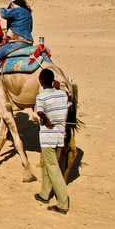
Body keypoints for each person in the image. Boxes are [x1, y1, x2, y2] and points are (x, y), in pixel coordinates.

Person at [34, 68, 70, 214]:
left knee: (53, 168)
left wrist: (46, 119)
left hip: (48, 137)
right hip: (60, 135)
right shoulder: (62, 94)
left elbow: (39, 112)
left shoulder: (41, 96)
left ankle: (63, 203)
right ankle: (44, 194)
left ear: (41, 82)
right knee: (46, 164)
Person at [0, 0, 34, 92]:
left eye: (10, 6)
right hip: (28, 42)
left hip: (18, 42)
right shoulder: (28, 13)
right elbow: (30, 28)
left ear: (12, 3)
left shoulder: (16, 10)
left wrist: (3, 9)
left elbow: (4, 14)